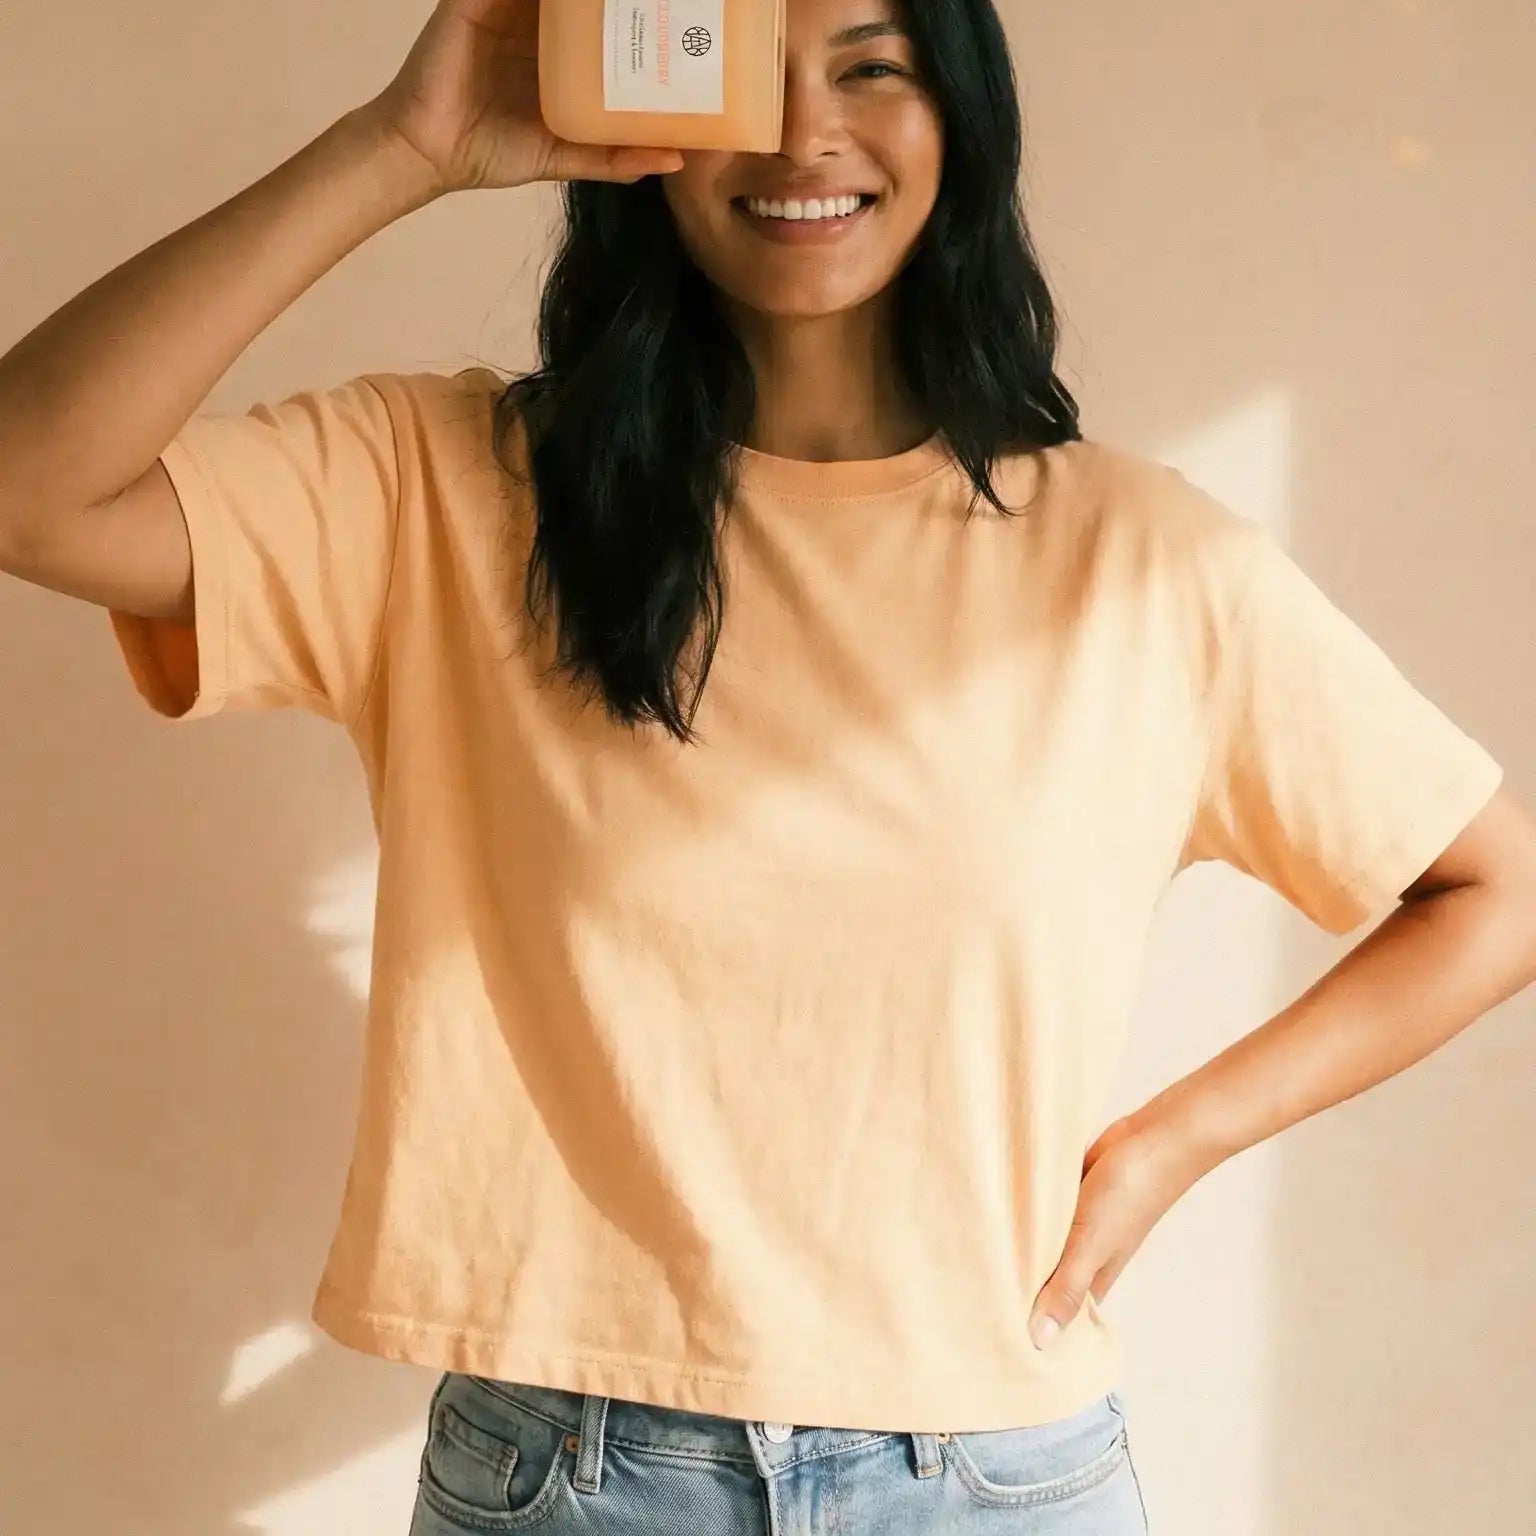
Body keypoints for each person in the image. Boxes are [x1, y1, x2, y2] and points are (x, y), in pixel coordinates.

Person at [2, 0, 1531, 1531]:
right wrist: (397, 147)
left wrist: (1172, 1143)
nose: (805, 131)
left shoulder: (1144, 564)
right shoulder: (446, 493)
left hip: (998, 1475)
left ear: (963, 114)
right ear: (647, 127)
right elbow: (28, 489)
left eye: (872, 65)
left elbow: (1496, 889)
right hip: (577, 1479)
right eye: (742, 73)